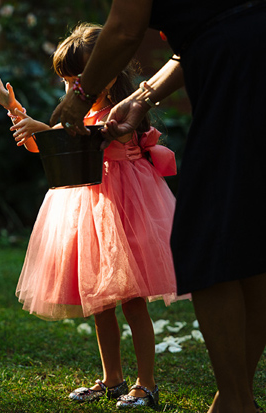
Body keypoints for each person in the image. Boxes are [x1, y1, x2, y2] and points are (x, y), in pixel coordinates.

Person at [49, 2, 266, 413]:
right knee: (251, 232)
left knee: (211, 236)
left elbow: (125, 28)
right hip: (243, 58)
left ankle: (234, 401)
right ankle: (235, 398)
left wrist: (81, 96)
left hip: (238, 69)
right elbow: (200, 36)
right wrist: (145, 96)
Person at [0, 22, 180, 409]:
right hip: (91, 210)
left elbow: (88, 140)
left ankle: (147, 383)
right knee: (100, 299)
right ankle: (112, 379)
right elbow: (51, 146)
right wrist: (16, 112)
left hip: (128, 206)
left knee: (132, 299)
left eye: (78, 81)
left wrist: (43, 128)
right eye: (69, 82)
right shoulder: (87, 111)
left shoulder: (121, 113)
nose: (73, 90)